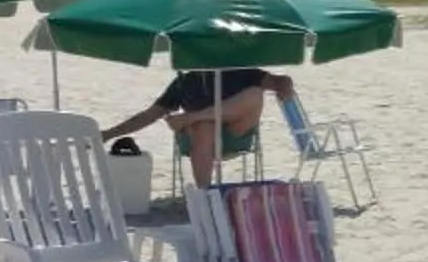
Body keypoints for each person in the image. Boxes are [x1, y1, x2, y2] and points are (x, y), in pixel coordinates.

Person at [102, 66, 297, 186]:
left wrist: (285, 87)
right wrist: (109, 134)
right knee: (203, 126)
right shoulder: (185, 81)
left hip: (236, 133)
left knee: (255, 93)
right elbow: (149, 115)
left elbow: (279, 80)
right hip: (199, 141)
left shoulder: (237, 70)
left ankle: (194, 117)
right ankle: (204, 194)